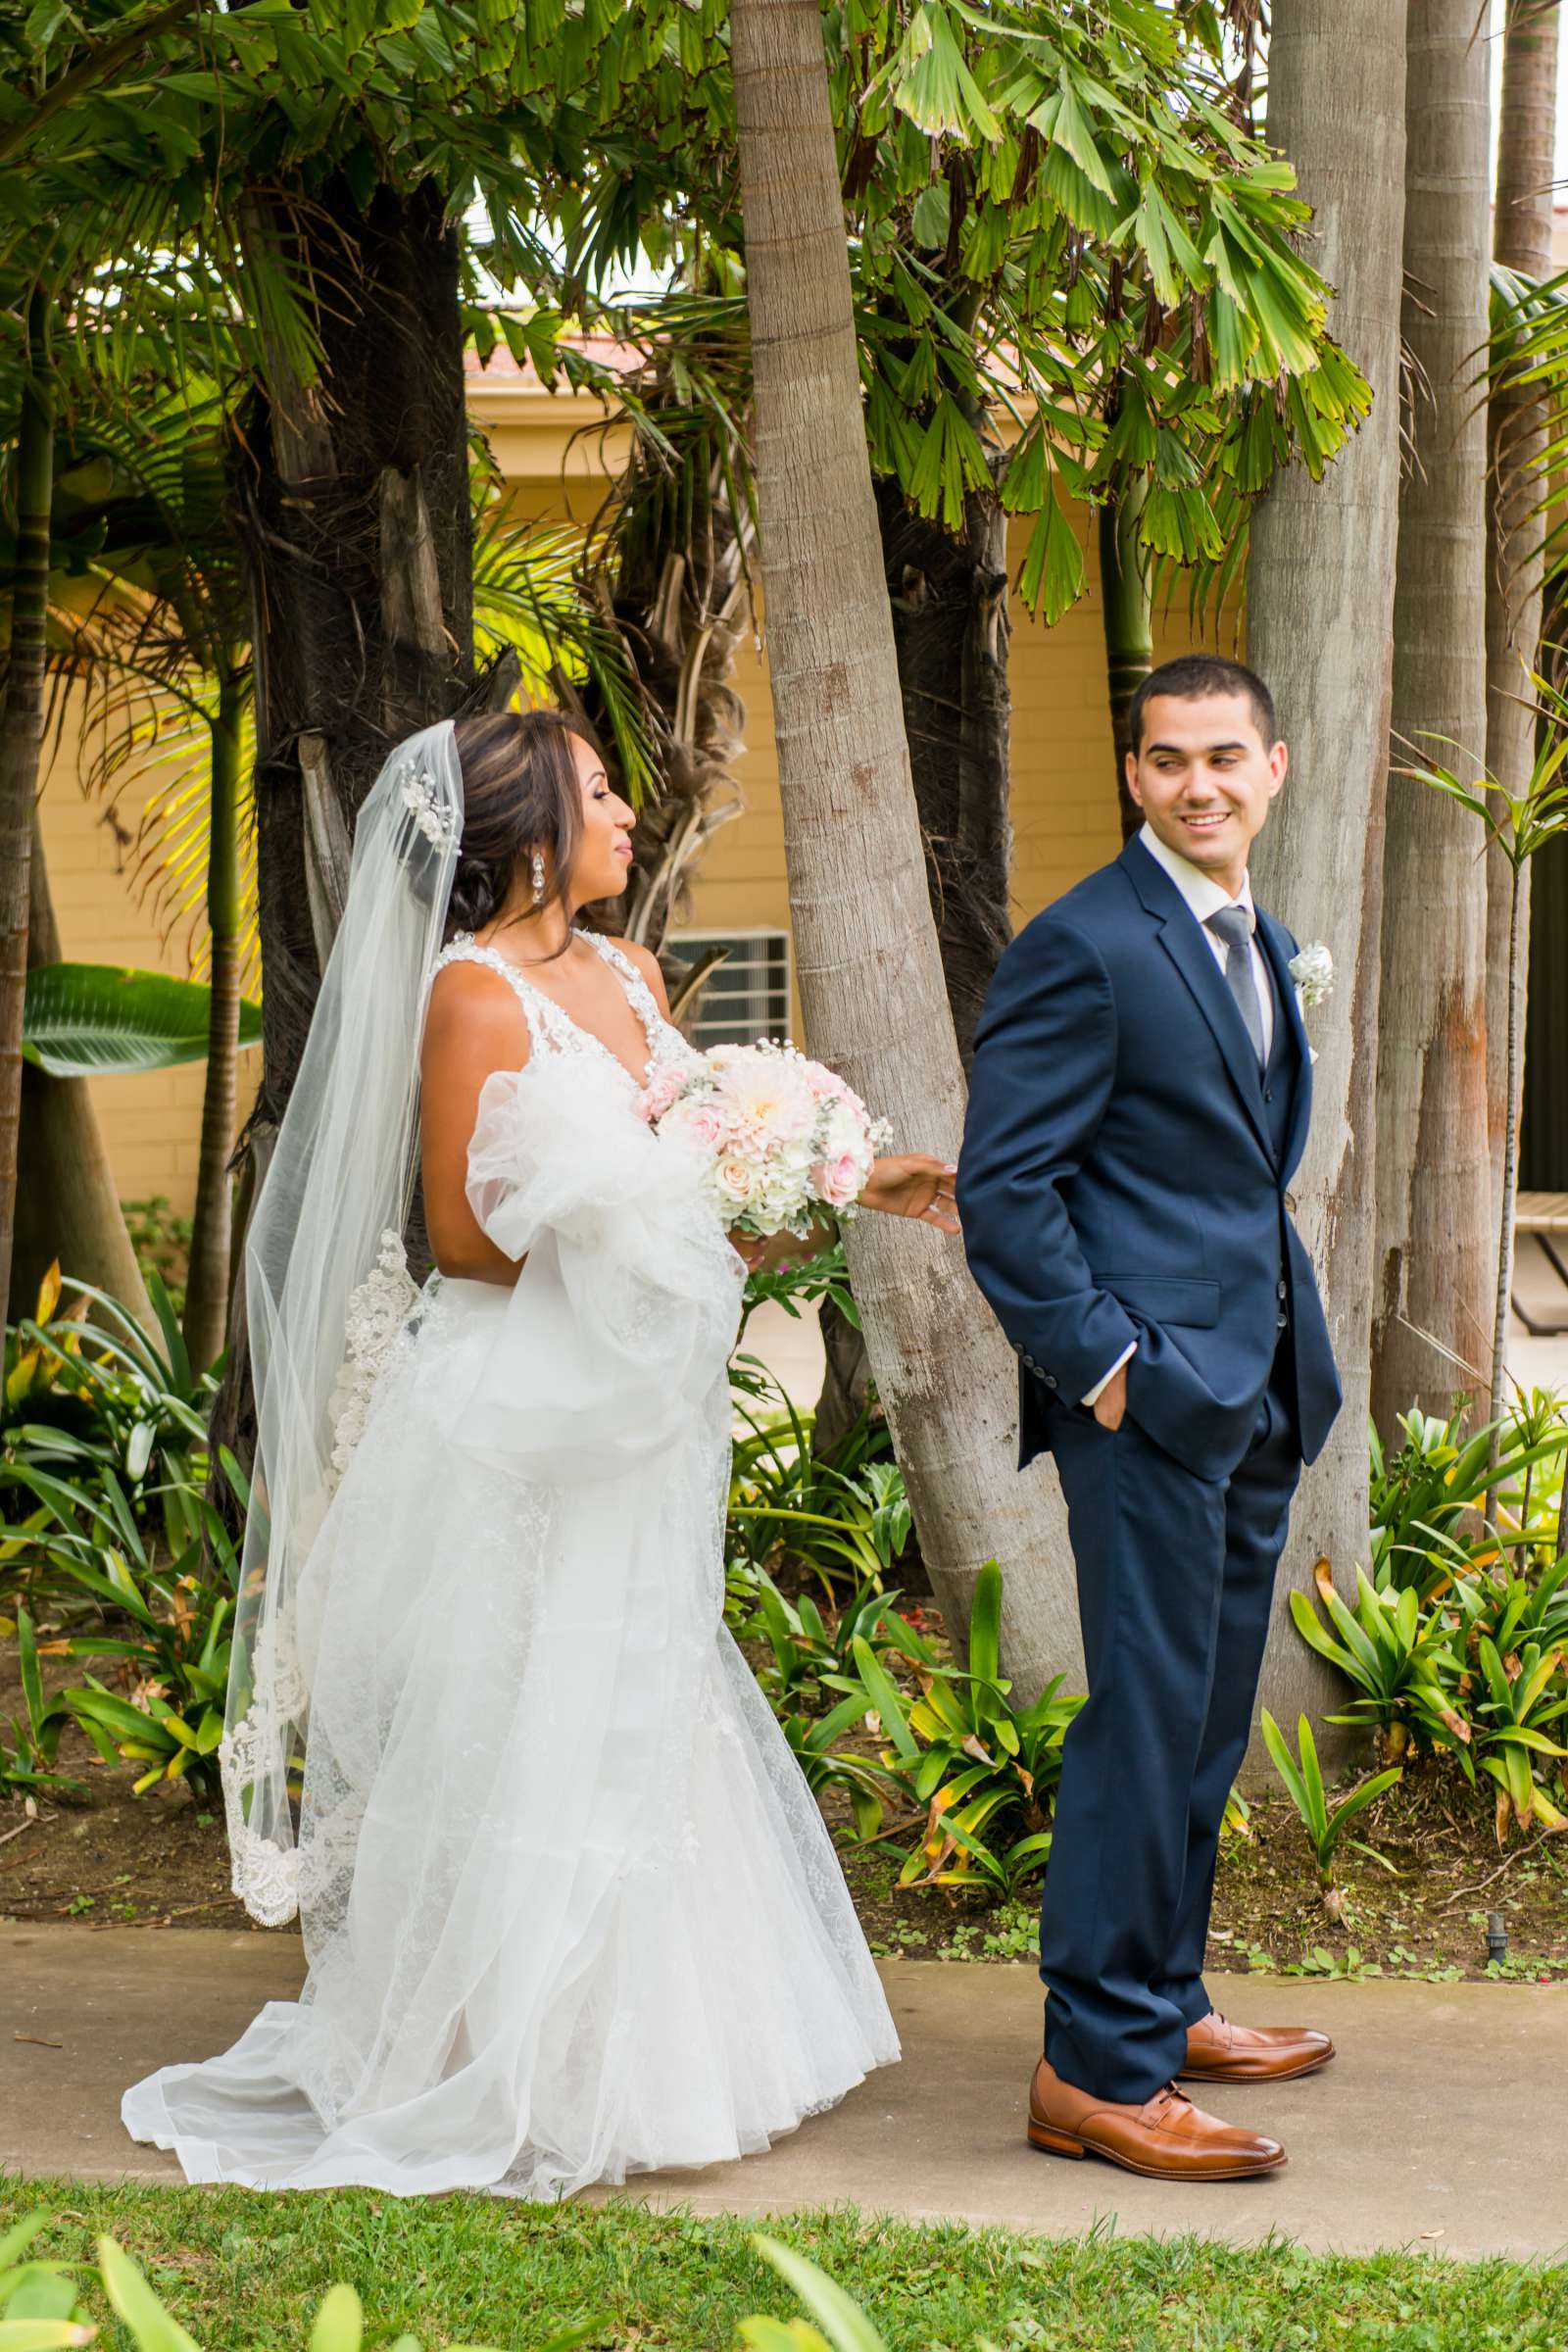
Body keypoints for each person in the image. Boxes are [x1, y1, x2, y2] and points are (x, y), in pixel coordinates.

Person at [122, 709, 956, 2196]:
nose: (630, 812)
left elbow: (705, 1131)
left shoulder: (630, 971)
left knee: (641, 1671)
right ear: (526, 831)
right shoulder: (471, 996)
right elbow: (461, 1238)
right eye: (598, 791)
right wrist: (637, 1219)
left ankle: (655, 2051)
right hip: (521, 1413)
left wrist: (828, 1173)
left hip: (637, 1407)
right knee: (525, 1697)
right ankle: (491, 2050)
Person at [958, 655, 1343, 2183]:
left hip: (1255, 1387)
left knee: (1202, 1720)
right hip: (1153, 1402)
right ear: (1133, 775)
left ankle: (1164, 2006)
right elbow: (1008, 1190)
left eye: (1225, 758)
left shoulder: (1265, 940)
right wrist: (1108, 1370)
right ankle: (1094, 2071)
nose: (1199, 784)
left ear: (1275, 768)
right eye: (1169, 760)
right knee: (1140, 1723)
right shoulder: (1088, 946)